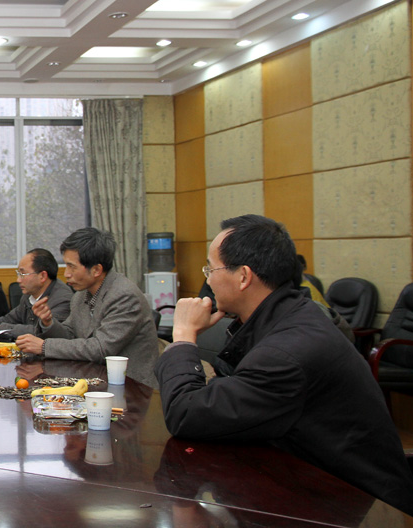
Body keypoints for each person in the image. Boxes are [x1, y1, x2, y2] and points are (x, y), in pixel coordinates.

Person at [155, 214, 413, 515]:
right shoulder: (285, 315)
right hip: (306, 483)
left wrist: (183, 336)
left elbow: (186, 414)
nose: (208, 280)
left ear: (243, 277)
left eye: (210, 269)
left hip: (360, 507)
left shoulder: (287, 351)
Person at [23, 227, 159, 388]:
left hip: (132, 387)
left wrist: (44, 347)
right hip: (93, 380)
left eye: (72, 267)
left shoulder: (124, 296)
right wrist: (48, 323)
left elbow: (100, 348)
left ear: (96, 270)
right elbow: (70, 335)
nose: (66, 274)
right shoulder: (80, 295)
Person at [0, 248, 73, 340]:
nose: (18, 280)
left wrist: (0, 329)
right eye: (18, 274)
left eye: (23, 274)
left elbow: (44, 332)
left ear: (42, 276)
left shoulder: (63, 299)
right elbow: (10, 319)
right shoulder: (29, 294)